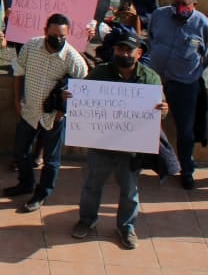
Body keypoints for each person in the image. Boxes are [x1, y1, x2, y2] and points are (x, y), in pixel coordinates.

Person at [72, 29, 168, 250]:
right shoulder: (100, 72)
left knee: (130, 190)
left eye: (128, 50)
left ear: (139, 53)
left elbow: (161, 109)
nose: (123, 53)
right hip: (102, 143)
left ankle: (126, 227)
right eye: (119, 49)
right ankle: (86, 220)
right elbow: (84, 97)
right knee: (92, 185)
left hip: (131, 146)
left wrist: (163, 108)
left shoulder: (150, 78)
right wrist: (73, 96)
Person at [3, 13, 89, 212]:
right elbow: (18, 72)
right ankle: (26, 183)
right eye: (54, 35)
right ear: (45, 32)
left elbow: (83, 89)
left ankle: (42, 193)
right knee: (20, 151)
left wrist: (63, 111)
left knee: (51, 160)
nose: (58, 39)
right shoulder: (31, 46)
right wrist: (17, 101)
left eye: (62, 36)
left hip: (54, 116)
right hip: (30, 110)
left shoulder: (73, 59)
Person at [143, 0, 208, 190]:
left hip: (184, 84)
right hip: (156, 79)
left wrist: (190, 73)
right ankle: (144, 163)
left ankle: (187, 170)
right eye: (176, 3)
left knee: (185, 131)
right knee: (146, 123)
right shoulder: (159, 16)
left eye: (184, 4)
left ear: (194, 4)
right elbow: (151, 40)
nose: (179, 8)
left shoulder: (203, 25)